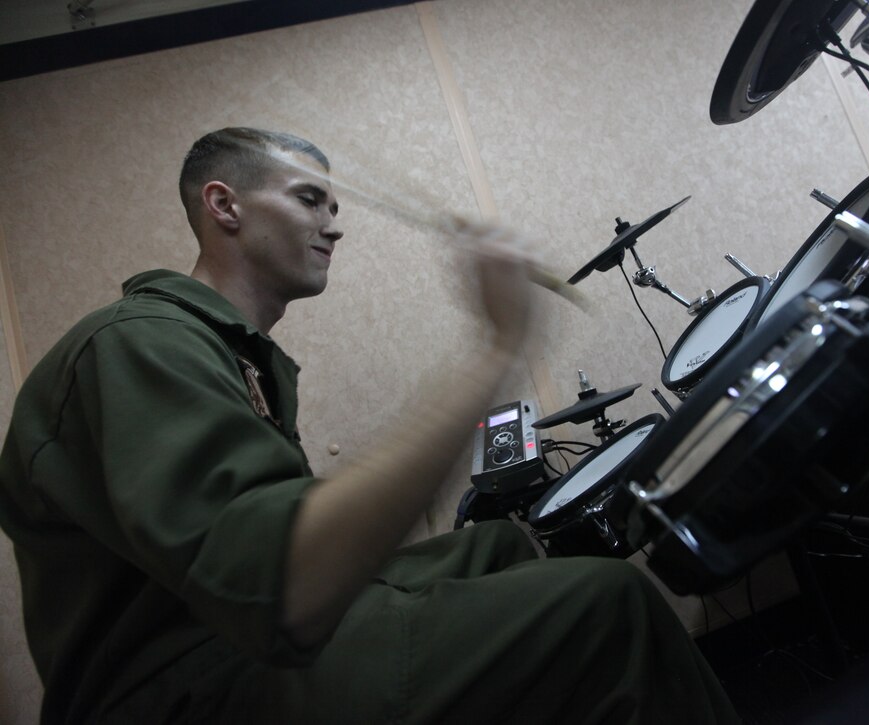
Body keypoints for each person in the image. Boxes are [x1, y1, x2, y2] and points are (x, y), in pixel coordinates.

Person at [0, 127, 738, 723]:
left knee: (501, 541)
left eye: (333, 204)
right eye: (310, 200)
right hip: (192, 686)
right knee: (611, 606)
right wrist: (500, 345)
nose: (335, 224)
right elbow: (286, 582)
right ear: (225, 207)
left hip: (229, 640)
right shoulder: (138, 342)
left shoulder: (231, 352)